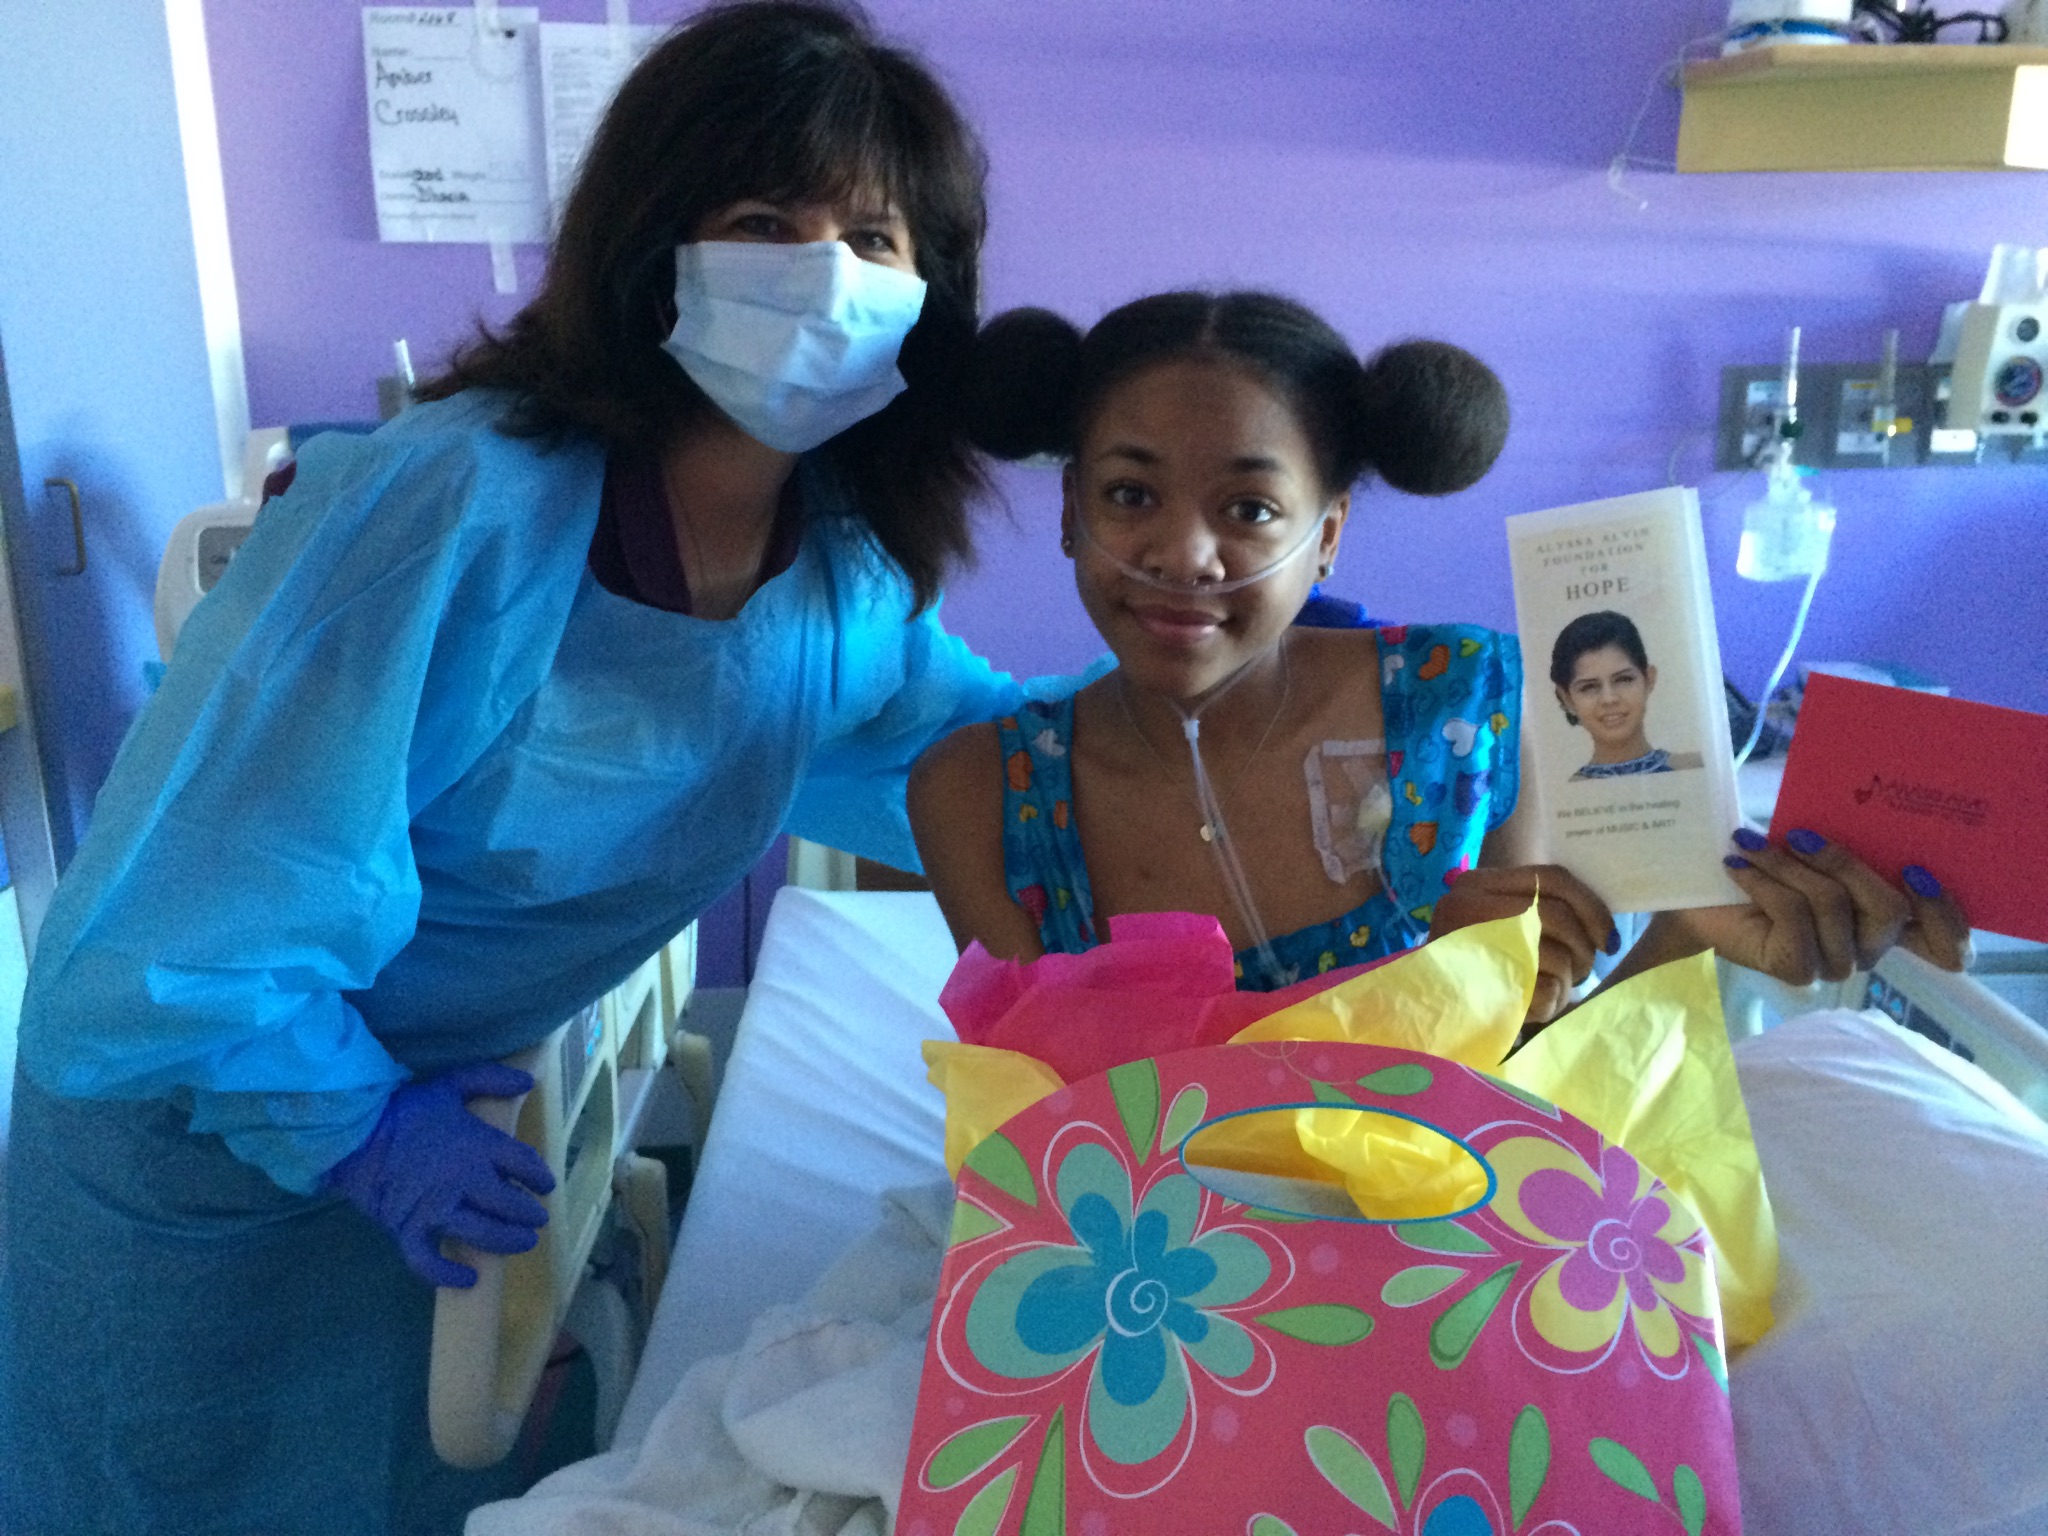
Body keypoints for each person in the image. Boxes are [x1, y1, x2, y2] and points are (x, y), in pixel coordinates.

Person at [0, 5, 1041, 1532]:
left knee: (399, 1487)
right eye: (767, 222)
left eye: (875, 238)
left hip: (435, 1149)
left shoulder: (842, 572)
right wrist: (359, 1130)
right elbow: (179, 941)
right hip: (194, 1172)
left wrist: (1247, 701)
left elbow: (988, 759)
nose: (827, 276)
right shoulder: (453, 508)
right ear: (652, 245)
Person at [909, 291, 1973, 1023]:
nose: (1184, 554)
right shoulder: (981, 800)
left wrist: (1683, 945)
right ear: (1070, 512)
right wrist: (1412, 988)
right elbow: (1051, 1133)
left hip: (1439, 1250)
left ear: (1327, 535)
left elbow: (1537, 1104)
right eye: (1130, 494)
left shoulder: (1475, 714)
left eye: (1249, 508)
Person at [1551, 608, 1704, 779]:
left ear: (1649, 679)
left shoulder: (1695, 769)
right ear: (1567, 699)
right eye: (1589, 687)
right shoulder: (1566, 793)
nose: (1609, 699)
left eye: (1623, 680)